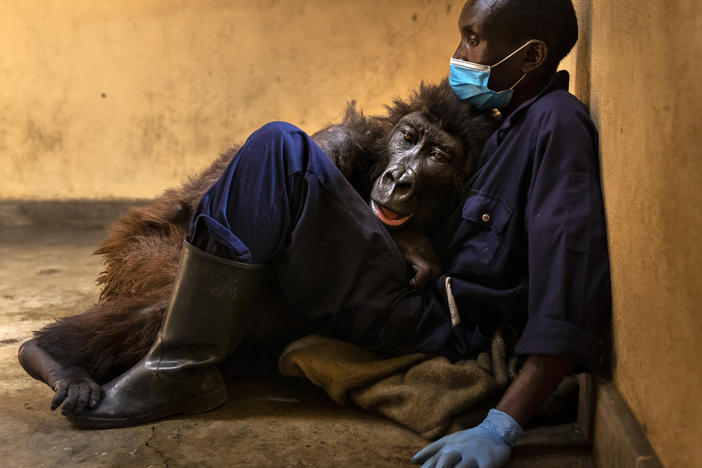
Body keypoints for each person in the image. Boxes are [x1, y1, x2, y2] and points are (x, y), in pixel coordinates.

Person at [67, 1, 611, 466]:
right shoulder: (492, 118)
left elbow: (568, 281)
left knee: (282, 149)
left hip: (430, 321)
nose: (460, 57)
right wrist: (406, 241)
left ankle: (179, 367)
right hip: (401, 283)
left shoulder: (555, 124)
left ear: (533, 56)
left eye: (473, 40)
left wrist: (502, 425)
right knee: (287, 154)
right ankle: (176, 353)